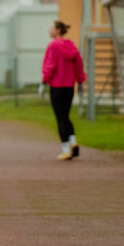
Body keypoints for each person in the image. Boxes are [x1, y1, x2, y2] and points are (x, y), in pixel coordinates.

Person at [42, 20, 86, 160]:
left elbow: (50, 64)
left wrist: (44, 81)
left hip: (57, 86)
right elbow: (78, 64)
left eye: (51, 27)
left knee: (60, 117)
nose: (49, 30)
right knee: (66, 116)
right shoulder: (71, 46)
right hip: (69, 87)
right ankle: (73, 142)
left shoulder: (53, 45)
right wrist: (80, 81)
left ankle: (66, 149)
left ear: (58, 30)